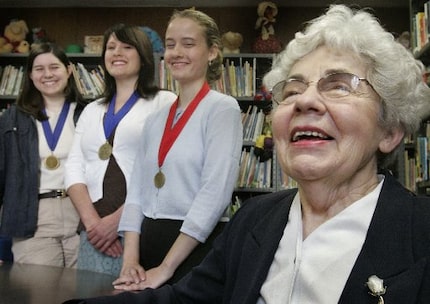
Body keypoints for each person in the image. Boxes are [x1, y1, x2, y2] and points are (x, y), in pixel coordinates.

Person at [65, 4, 430, 303]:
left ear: (391, 129)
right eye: (292, 89)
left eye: (338, 86)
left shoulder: (420, 235)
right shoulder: (254, 221)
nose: (304, 100)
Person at [111, 8, 243, 290]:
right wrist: (130, 259)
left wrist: (166, 268)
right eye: (170, 44)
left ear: (212, 52)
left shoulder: (222, 109)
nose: (176, 52)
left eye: (188, 43)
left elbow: (215, 193)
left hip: (195, 248)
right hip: (147, 244)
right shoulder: (156, 118)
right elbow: (136, 191)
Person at [65, 24, 177, 276]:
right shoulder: (92, 110)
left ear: (144, 56)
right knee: (89, 296)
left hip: (142, 225)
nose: (117, 53)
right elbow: (73, 168)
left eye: (127, 47)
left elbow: (166, 168)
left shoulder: (164, 102)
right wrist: (94, 224)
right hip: (94, 232)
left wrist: (118, 221)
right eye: (111, 47)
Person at [0, 42, 86, 267]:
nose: (47, 74)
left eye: (54, 67)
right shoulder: (12, 118)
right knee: (41, 294)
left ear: (68, 70)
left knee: (85, 294)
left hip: (83, 216)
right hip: (32, 215)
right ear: (30, 75)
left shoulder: (89, 112)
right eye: (39, 69)